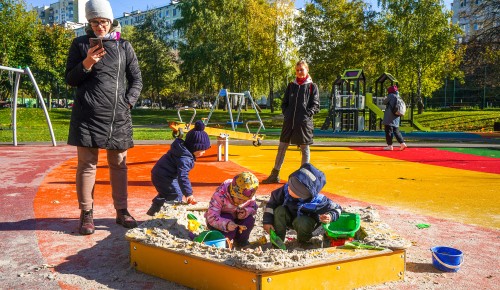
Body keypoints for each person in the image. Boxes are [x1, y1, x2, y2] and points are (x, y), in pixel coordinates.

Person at [65, 0, 143, 235]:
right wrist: (88, 61)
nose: (100, 26)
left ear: (111, 22)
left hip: (117, 116)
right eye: (95, 22)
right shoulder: (79, 45)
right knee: (87, 165)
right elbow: (70, 79)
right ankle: (87, 214)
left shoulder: (124, 46)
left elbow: (136, 79)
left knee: (119, 165)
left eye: (104, 21)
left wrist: (128, 102)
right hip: (87, 116)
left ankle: (122, 211)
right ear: (89, 23)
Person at [262, 60, 320, 184]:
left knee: (304, 149)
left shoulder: (311, 86)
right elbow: (285, 103)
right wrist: (287, 113)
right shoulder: (291, 86)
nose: (299, 72)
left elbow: (315, 105)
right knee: (282, 147)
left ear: (307, 70)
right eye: (297, 70)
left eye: (302, 69)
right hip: (289, 122)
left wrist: (306, 115)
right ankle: (274, 174)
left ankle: (303, 178)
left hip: (303, 123)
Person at [263, 163, 342, 246]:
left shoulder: (318, 201)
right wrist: (267, 222)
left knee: (302, 221)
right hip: (290, 217)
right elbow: (271, 204)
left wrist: (330, 216)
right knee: (279, 210)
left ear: (304, 194)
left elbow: (337, 208)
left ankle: (303, 241)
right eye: (290, 184)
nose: (289, 188)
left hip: (305, 223)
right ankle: (278, 239)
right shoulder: (285, 190)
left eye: (294, 189)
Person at [147, 120, 211, 216]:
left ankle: (153, 212)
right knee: (176, 194)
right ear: (195, 148)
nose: (204, 152)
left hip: (161, 173)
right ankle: (169, 216)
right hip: (164, 176)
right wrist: (189, 194)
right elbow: (183, 176)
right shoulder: (184, 158)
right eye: (202, 150)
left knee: (166, 193)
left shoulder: (182, 150)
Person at [204, 172, 259, 248]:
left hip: (236, 220)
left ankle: (241, 242)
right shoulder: (220, 196)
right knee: (228, 218)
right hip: (219, 221)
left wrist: (246, 211)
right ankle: (225, 242)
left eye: (245, 200)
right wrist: (226, 224)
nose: (242, 202)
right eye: (239, 199)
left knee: (249, 220)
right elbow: (211, 217)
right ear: (232, 193)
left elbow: (254, 207)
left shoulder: (248, 194)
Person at [383, 85, 407, 151]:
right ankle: (402, 143)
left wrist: (385, 98)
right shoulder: (399, 97)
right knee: (396, 131)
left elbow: (384, 102)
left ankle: (390, 146)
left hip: (389, 117)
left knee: (388, 131)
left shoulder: (391, 96)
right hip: (396, 116)